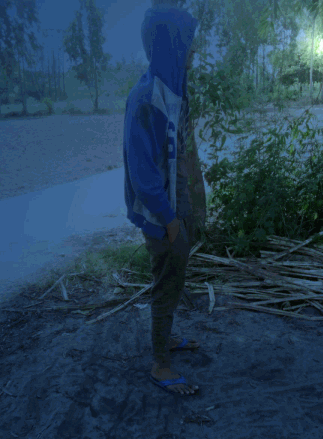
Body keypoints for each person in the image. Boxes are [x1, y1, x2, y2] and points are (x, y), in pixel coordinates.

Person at [123, 3, 200, 396]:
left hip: (173, 209)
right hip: (159, 215)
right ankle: (160, 364)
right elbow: (143, 177)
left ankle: (164, 339)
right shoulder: (145, 99)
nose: (193, 51)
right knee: (166, 283)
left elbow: (179, 153)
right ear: (171, 45)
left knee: (174, 277)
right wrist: (170, 221)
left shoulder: (172, 89)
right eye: (187, 43)